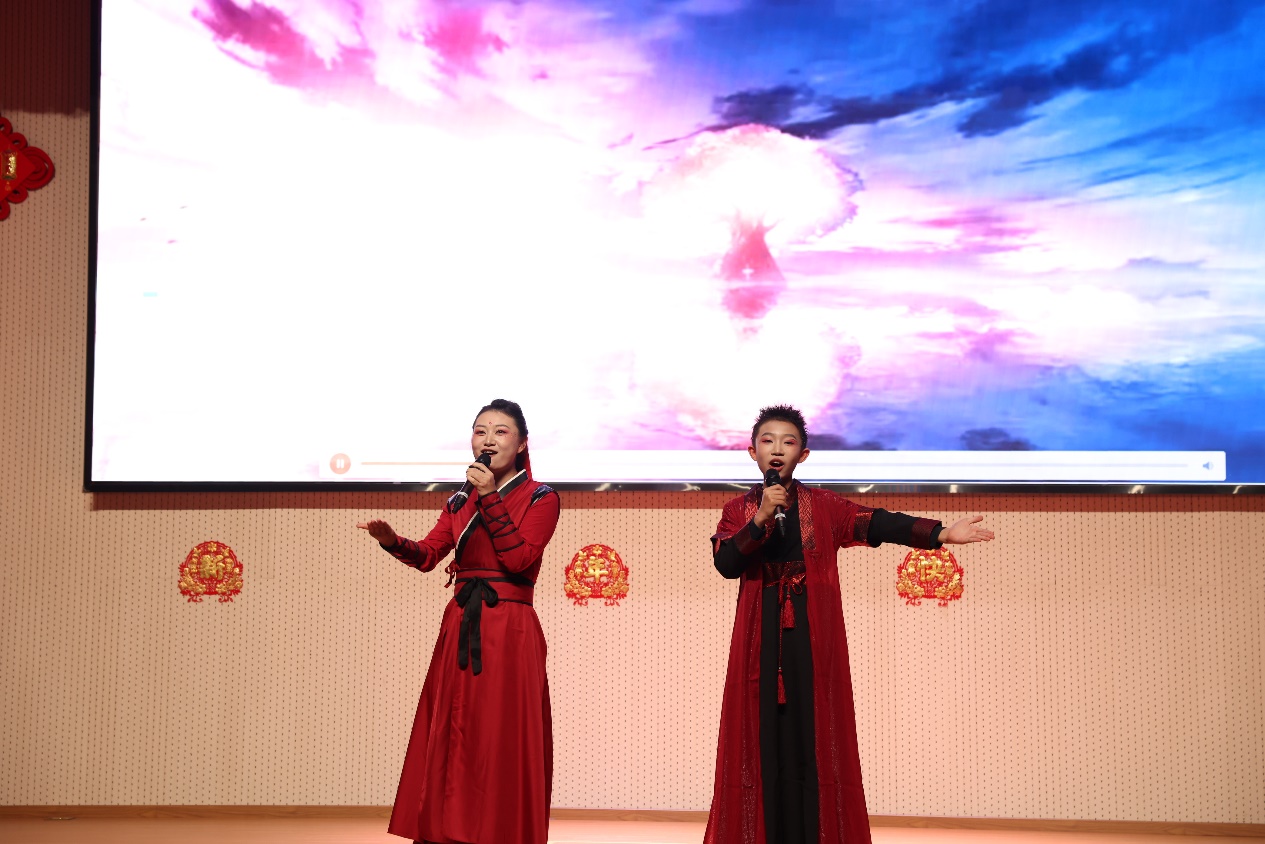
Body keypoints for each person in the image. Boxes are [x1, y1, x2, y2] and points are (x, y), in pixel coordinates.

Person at [705, 405, 995, 844]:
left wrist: (940, 534)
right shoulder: (737, 510)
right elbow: (727, 564)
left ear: (803, 455)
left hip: (811, 640)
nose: (777, 449)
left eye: (788, 441)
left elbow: (877, 522)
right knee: (762, 739)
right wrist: (761, 518)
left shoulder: (824, 506)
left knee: (813, 739)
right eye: (768, 440)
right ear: (752, 452)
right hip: (758, 644)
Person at [358, 399, 559, 844]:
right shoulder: (457, 499)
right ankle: (447, 831)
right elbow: (429, 555)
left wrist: (489, 497)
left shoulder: (542, 497)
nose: (488, 439)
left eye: (501, 431)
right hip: (461, 624)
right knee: (454, 729)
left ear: (522, 444)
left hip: (510, 628)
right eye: (480, 431)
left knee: (500, 734)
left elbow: (520, 558)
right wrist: (392, 542)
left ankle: (499, 832)